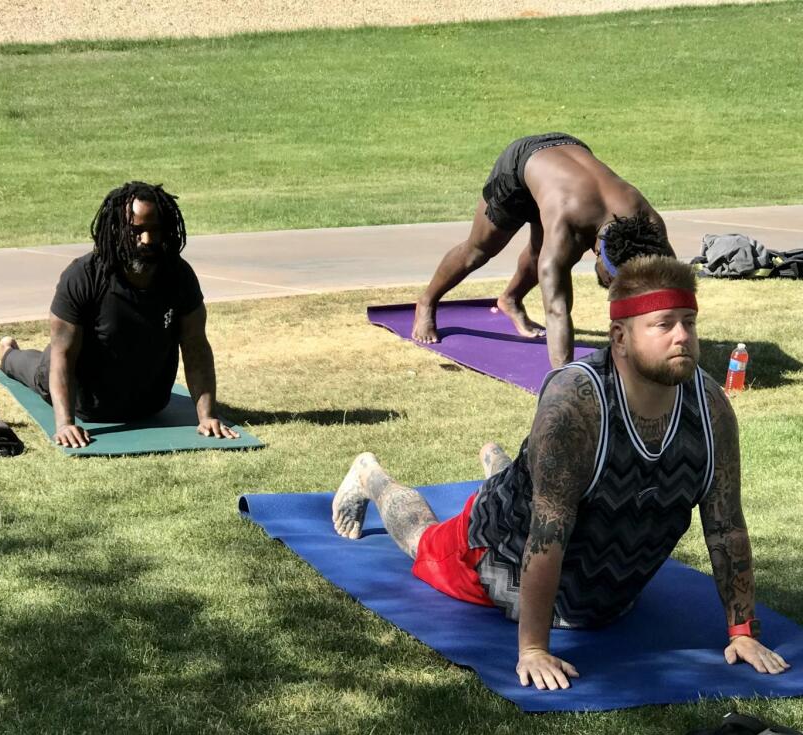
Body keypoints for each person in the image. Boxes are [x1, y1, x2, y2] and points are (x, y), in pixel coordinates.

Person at [334, 255, 789, 690]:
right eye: (664, 324)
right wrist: (533, 647)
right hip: (496, 551)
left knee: (548, 480)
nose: (683, 337)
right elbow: (546, 532)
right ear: (620, 338)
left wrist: (742, 631)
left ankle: (501, 464)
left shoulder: (710, 408)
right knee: (423, 540)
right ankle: (370, 475)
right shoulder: (574, 405)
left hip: (605, 595)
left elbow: (726, 527)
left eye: (689, 323)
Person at [0, 181, 237, 448]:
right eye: (136, 230)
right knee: (37, 368)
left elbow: (196, 347)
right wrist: (65, 424)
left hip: (149, 404)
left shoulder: (178, 275)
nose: (147, 239)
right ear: (116, 229)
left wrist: (207, 417)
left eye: (154, 229)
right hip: (87, 402)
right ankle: (9, 354)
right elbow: (63, 356)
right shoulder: (83, 276)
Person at [413, 132, 674, 368]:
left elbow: (675, 290)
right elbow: (557, 310)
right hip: (520, 165)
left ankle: (510, 300)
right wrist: (564, 381)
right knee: (480, 250)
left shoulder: (650, 226)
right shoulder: (567, 228)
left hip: (569, 158)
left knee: (540, 254)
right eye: (611, 280)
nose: (610, 286)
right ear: (601, 255)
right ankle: (427, 302)